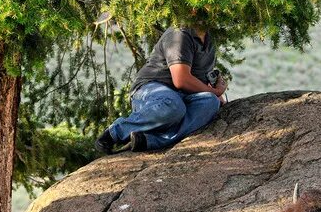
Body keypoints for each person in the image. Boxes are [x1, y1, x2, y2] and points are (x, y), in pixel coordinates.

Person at [95, 25, 227, 154]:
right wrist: (216, 92)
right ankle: (115, 133)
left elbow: (203, 77)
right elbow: (181, 79)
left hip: (183, 96)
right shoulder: (179, 34)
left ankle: (148, 141)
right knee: (173, 105)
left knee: (211, 103)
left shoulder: (209, 38)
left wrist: (216, 96)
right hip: (153, 88)